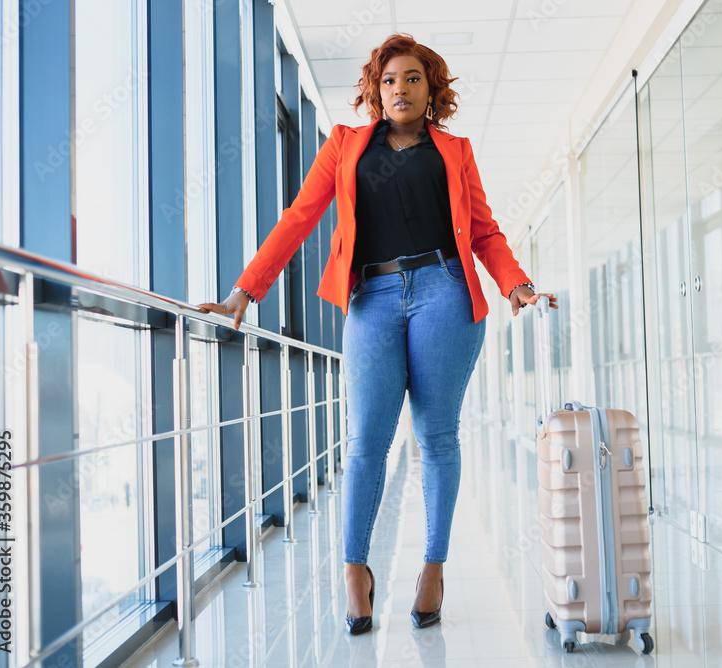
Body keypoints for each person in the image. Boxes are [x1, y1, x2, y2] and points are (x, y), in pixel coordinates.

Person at [198, 33, 558, 635]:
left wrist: (515, 284)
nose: (400, 88)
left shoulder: (455, 151)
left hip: (445, 289)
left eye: (412, 78)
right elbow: (298, 217)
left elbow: (486, 233)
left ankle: (434, 567)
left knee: (438, 437)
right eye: (389, 79)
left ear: (430, 89)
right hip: (372, 298)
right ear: (375, 90)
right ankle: (355, 571)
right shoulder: (344, 146)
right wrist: (246, 289)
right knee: (365, 442)